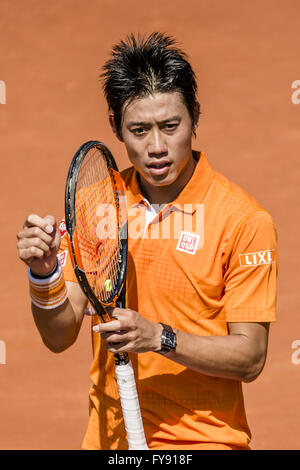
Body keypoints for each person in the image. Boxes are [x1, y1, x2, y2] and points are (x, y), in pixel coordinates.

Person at [17, 32, 278, 450]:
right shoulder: (97, 205)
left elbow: (251, 357)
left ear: (195, 115)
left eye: (170, 126)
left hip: (203, 443)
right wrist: (44, 274)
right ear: (115, 128)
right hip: (110, 441)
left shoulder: (244, 220)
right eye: (139, 130)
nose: (157, 147)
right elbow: (59, 335)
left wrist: (159, 338)